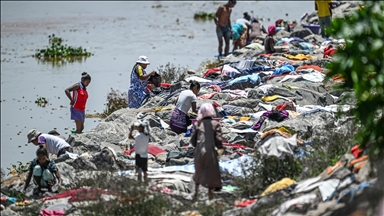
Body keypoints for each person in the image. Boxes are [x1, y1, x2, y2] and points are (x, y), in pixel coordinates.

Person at [190, 103, 224, 200]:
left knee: (198, 171)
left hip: (199, 152)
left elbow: (193, 141)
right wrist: (220, 147)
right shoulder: (215, 124)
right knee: (212, 172)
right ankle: (210, 196)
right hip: (210, 152)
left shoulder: (197, 124)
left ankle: (196, 193)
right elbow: (218, 140)